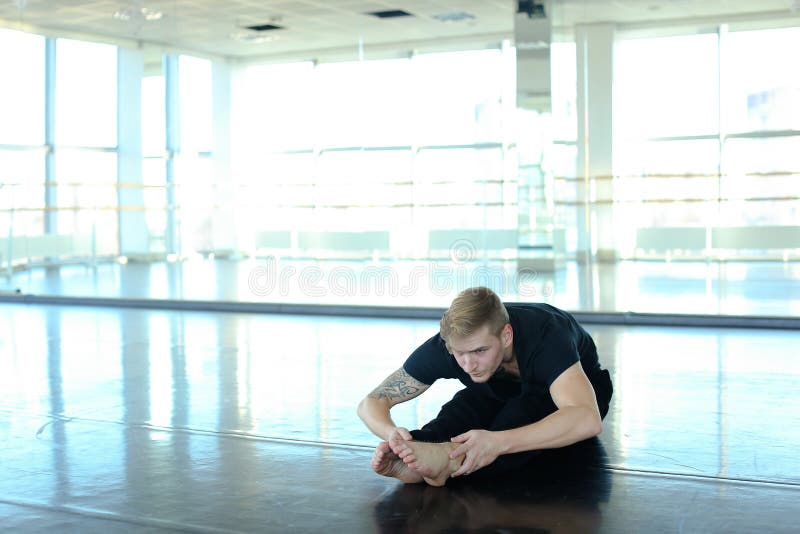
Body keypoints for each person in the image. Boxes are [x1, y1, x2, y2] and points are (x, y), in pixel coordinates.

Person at [357, 286, 613, 486]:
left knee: (519, 417)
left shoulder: (546, 335)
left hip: (571, 394)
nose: (469, 365)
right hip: (501, 388)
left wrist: (498, 442)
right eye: (460, 354)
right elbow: (372, 401)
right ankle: (421, 456)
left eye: (480, 351)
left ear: (506, 335)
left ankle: (448, 464)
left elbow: (586, 418)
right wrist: (391, 433)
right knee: (462, 408)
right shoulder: (450, 345)